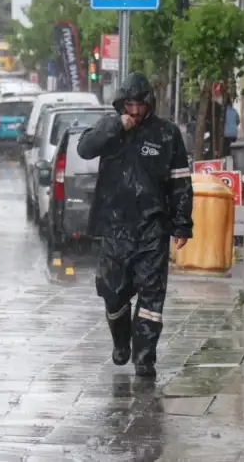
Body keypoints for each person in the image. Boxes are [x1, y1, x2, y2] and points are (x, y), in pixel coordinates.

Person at [77, 72, 193, 378]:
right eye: (128, 104)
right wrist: (117, 126)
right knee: (112, 292)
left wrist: (182, 225)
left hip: (153, 228)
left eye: (139, 104)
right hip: (115, 226)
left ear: (149, 103)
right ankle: (121, 342)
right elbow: (85, 148)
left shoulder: (167, 134)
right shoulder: (110, 127)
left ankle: (145, 358)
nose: (135, 110)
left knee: (151, 296)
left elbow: (181, 182)